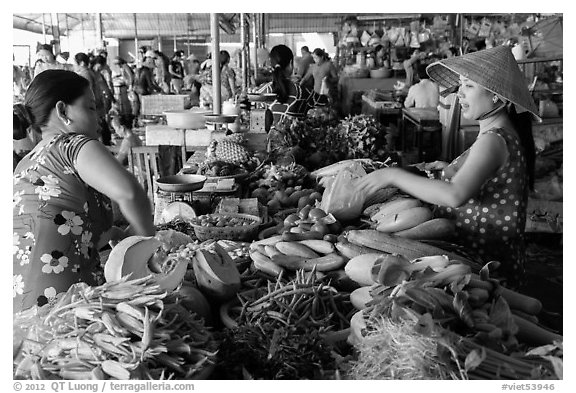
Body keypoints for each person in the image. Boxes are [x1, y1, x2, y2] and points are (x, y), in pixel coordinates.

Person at [357, 46, 539, 289]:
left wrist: (393, 175)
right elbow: (487, 179)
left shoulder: (493, 140)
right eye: (460, 85)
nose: (459, 94)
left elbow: (455, 195)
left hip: (483, 270)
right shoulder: (500, 134)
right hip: (488, 258)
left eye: (469, 86)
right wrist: (451, 167)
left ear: (498, 96)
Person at [13, 70, 155, 314]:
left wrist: (111, 232)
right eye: (90, 107)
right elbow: (131, 194)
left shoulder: (28, 162)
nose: (99, 116)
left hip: (20, 312)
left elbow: (58, 224)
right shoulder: (71, 144)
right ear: (63, 111)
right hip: (65, 313)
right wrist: (149, 250)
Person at [256, 44, 329, 126]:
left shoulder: (260, 93)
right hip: (296, 138)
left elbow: (256, 129)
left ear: (271, 65)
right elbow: (325, 104)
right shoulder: (302, 92)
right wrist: (325, 92)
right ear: (291, 64)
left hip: (265, 138)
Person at [110, 56, 135, 128]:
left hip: (128, 86)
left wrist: (130, 85)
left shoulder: (125, 66)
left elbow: (131, 76)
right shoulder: (123, 67)